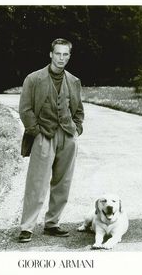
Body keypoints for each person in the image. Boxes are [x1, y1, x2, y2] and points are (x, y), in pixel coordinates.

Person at [18, 38, 84, 242]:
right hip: (43, 135)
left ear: (69, 56)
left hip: (67, 135)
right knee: (36, 182)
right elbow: (25, 108)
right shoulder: (34, 78)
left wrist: (76, 129)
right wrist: (35, 130)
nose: (61, 58)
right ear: (50, 54)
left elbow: (78, 110)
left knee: (63, 182)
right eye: (58, 54)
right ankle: (27, 227)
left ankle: (52, 223)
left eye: (65, 54)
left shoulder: (73, 81)